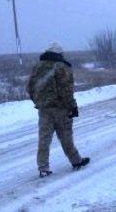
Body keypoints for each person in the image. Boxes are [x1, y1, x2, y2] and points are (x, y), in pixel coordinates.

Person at [27, 41, 90, 178]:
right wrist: (72, 106)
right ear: (59, 53)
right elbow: (66, 90)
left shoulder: (38, 67)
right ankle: (76, 161)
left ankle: (43, 167)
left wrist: (38, 102)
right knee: (65, 135)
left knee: (44, 138)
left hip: (44, 109)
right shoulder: (61, 67)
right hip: (60, 108)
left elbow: (30, 88)